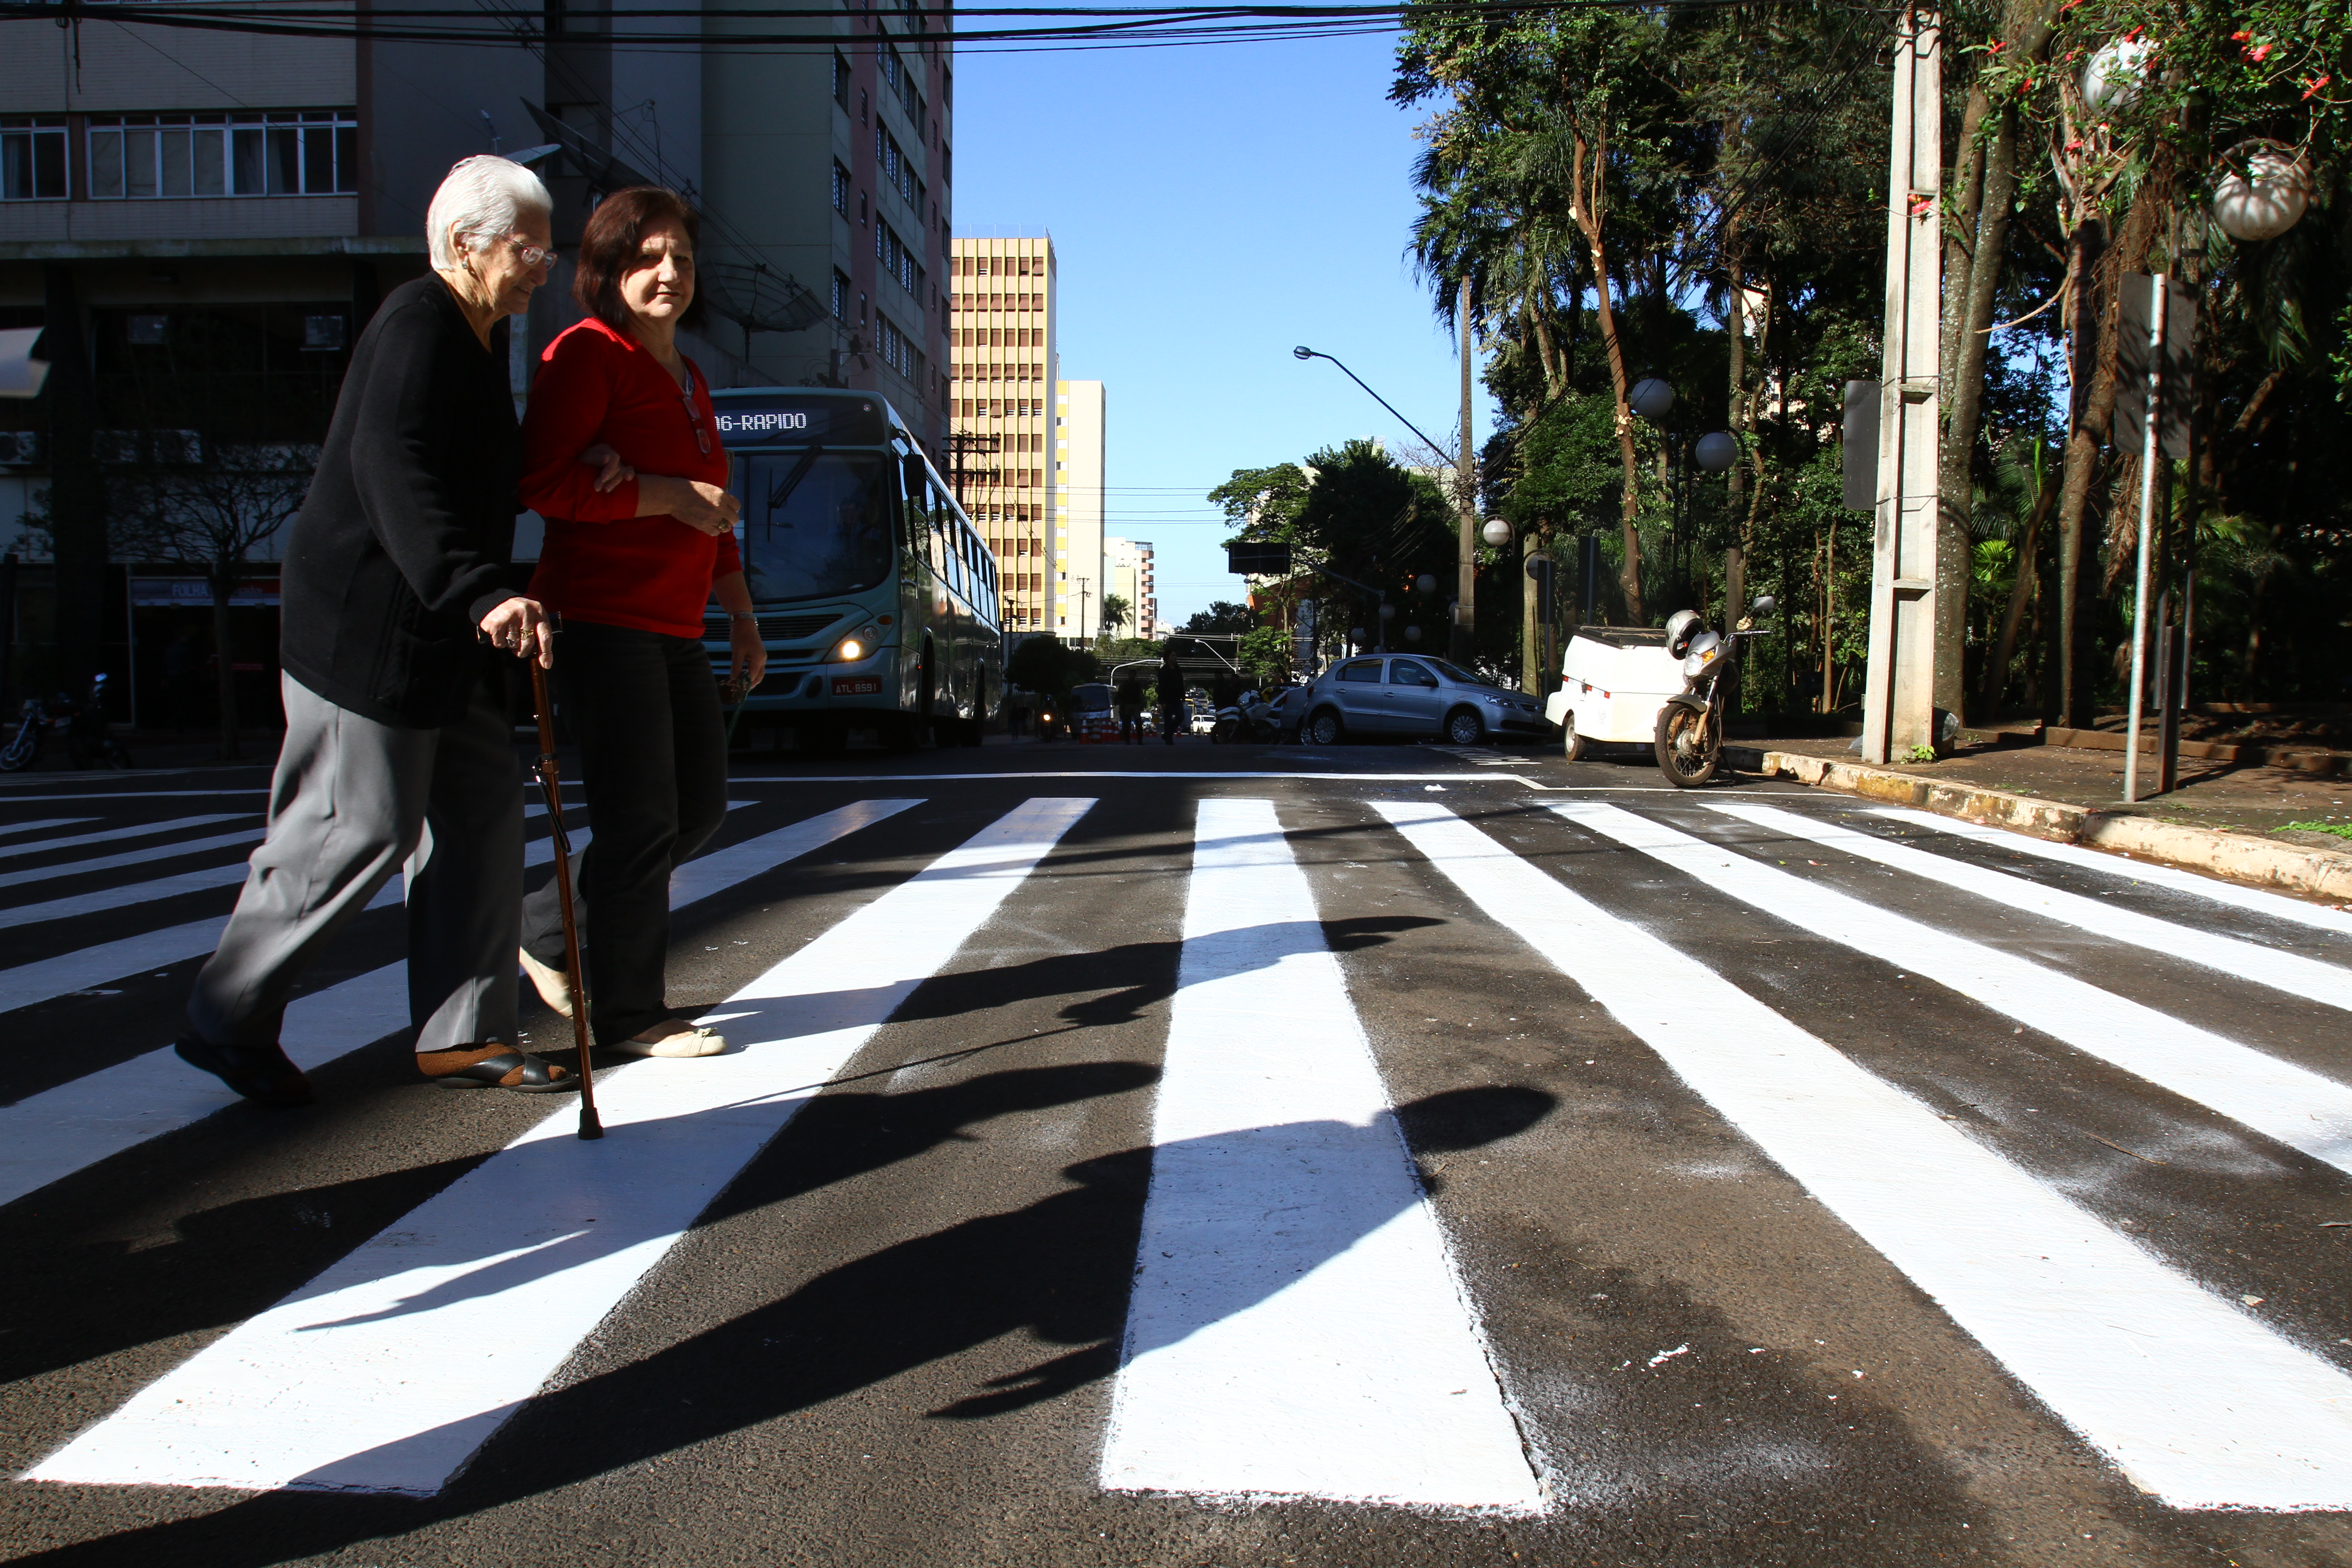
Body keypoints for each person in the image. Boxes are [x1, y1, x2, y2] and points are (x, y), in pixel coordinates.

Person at [175, 155, 571, 1105]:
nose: (541, 267)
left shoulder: (476, 341)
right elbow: (392, 466)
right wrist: (481, 591)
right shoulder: (417, 323)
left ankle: (464, 1037)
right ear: (464, 244)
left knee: (480, 815)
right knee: (358, 826)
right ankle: (223, 1015)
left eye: (547, 251)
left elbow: (471, 474)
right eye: (529, 248)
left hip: (445, 636)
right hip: (372, 631)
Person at [514, 186, 763, 1059]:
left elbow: (716, 516)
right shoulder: (586, 356)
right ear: (609, 269)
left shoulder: (687, 374)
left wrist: (741, 620)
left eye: (683, 260)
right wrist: (662, 494)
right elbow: (541, 482)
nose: (669, 274)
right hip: (598, 616)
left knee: (696, 808)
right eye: (648, 258)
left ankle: (545, 923)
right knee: (639, 819)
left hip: (675, 626)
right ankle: (629, 1013)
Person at [1156, 646, 1187, 746]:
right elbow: (1161, 687)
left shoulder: (1178, 669)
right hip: (1167, 699)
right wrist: (1163, 701)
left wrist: (1183, 695)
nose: (1175, 657)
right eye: (1172, 655)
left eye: (1175, 655)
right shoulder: (1163, 670)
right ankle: (1169, 740)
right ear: (1168, 657)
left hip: (1177, 698)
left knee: (1181, 716)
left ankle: (1167, 734)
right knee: (1168, 719)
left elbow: (1181, 683)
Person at [1115, 671, 1146, 745]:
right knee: (1127, 723)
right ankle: (1128, 740)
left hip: (1135, 705)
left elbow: (1141, 695)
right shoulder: (1125, 684)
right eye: (1131, 675)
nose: (1132, 676)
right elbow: (1120, 695)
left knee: (1137, 723)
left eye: (1133, 675)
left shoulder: (1137, 684)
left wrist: (1141, 705)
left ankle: (1139, 740)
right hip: (1127, 705)